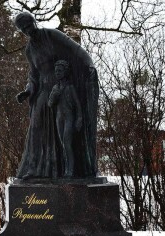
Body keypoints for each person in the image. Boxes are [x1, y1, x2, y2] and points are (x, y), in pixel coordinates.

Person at [14, 12, 99, 179]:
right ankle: (35, 169)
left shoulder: (52, 35)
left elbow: (77, 50)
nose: (28, 31)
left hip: (62, 88)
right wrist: (28, 91)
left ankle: (65, 169)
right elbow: (33, 75)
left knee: (64, 134)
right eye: (24, 29)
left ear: (34, 22)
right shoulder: (30, 50)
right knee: (36, 125)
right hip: (43, 90)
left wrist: (89, 65)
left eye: (29, 26)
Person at [48, 60, 82, 177]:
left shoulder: (70, 87)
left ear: (65, 72)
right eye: (56, 71)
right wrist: (54, 96)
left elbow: (78, 104)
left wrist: (79, 118)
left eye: (60, 71)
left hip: (69, 117)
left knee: (67, 143)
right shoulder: (55, 88)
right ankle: (65, 169)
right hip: (59, 118)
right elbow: (50, 104)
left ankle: (70, 171)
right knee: (62, 145)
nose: (57, 73)